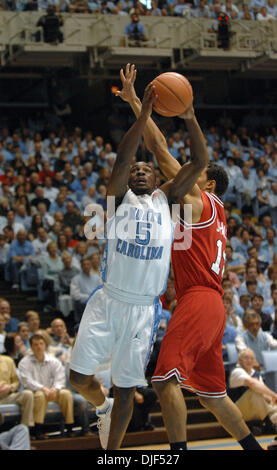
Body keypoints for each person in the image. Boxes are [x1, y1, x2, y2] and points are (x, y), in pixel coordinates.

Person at [117, 63, 265, 451]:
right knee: (212, 395)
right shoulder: (213, 212)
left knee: (164, 380)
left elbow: (161, 149)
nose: (184, 169)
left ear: (209, 183)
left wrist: (137, 102)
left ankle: (177, 454)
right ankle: (254, 449)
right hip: (212, 304)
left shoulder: (199, 198)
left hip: (199, 299)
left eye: (193, 169)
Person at [69, 80, 208, 451]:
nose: (140, 171)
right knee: (78, 379)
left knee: (128, 387)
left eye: (147, 169)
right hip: (107, 300)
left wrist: (190, 116)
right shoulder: (116, 201)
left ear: (159, 179)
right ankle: (102, 405)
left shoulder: (169, 201)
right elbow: (121, 159)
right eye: (136, 170)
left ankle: (110, 455)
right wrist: (143, 112)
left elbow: (199, 162)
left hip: (144, 308)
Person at [18, 333, 75, 440]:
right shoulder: (24, 362)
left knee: (66, 393)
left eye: (41, 344)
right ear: (31, 347)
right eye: (35, 344)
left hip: (53, 391)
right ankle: (38, 430)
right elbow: (27, 381)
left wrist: (54, 389)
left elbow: (60, 378)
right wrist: (43, 388)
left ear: (45, 345)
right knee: (40, 395)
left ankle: (70, 428)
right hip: (36, 392)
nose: (39, 347)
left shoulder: (54, 361)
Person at [229, 348, 277, 434]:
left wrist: (272, 399)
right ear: (239, 360)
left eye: (252, 358)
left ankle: (264, 428)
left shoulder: (256, 373)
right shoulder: (236, 371)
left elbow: (265, 394)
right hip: (239, 411)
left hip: (256, 408)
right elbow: (252, 383)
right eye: (246, 358)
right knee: (255, 392)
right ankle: (269, 424)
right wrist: (273, 394)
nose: (249, 361)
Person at [0, 353, 34, 430]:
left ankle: (25, 429)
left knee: (28, 394)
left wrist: (10, 387)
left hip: (7, 396)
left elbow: (16, 382)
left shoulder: (8, 361)